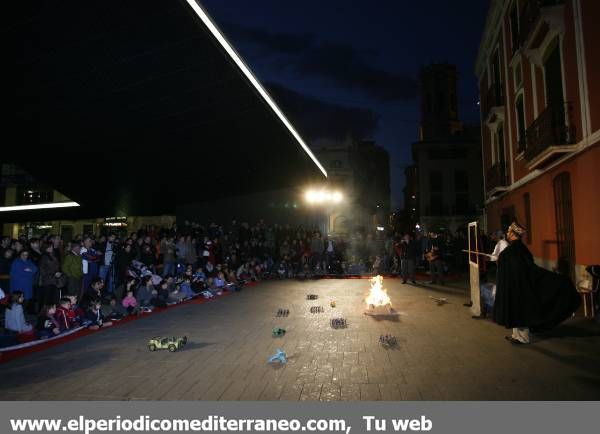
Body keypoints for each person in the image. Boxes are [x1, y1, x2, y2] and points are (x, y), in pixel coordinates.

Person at [493, 222, 580, 345]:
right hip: (516, 285)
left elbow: (525, 268)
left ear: (513, 234)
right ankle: (516, 335)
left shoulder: (516, 249)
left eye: (508, 231)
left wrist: (501, 261)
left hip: (521, 287)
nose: (507, 233)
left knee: (520, 312)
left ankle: (522, 338)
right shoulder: (517, 249)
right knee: (516, 311)